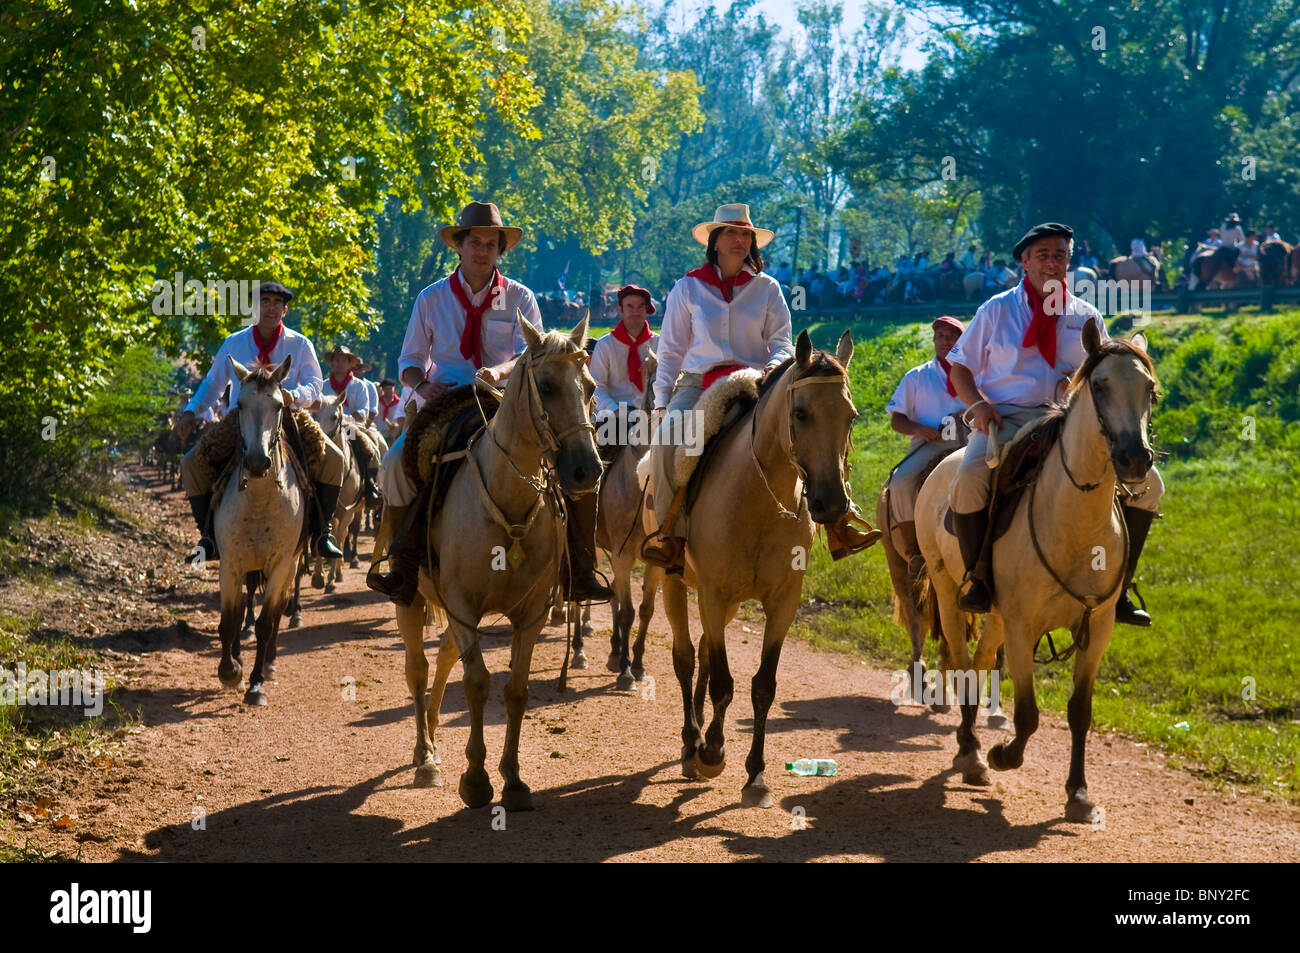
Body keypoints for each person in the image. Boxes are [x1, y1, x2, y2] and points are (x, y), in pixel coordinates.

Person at [367, 201, 611, 606]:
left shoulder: (520, 297)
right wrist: (424, 387)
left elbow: (527, 354)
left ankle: (579, 567)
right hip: (444, 402)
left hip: (505, 402)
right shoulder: (431, 299)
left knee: (572, 457)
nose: (482, 250)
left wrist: (499, 373)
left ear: (501, 251)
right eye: (475, 242)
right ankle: (404, 564)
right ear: (459, 246)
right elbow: (409, 361)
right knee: (394, 464)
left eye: (491, 244)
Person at [641, 203, 881, 573]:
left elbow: (783, 341)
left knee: (816, 431)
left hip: (755, 381)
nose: (740, 240)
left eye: (746, 235)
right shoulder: (687, 287)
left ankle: (840, 522)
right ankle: (672, 536)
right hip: (696, 382)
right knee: (668, 441)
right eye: (732, 233)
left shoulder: (767, 289)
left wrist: (774, 364)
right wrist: (661, 404)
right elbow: (670, 350)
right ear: (715, 241)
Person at [945, 222, 1162, 625]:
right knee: (970, 479)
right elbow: (959, 369)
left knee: (1151, 486)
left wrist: (1075, 385)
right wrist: (978, 406)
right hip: (1007, 418)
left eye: (1060, 255)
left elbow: (1106, 379)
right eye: (1042, 254)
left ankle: (1119, 588)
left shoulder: (1087, 316)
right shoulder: (995, 310)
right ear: (1025, 262)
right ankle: (978, 578)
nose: (1051, 262)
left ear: (1069, 263)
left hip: (1069, 421)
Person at [176, 281, 346, 562]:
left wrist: (295, 396)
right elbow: (213, 383)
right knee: (191, 463)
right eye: (265, 301)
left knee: (335, 459)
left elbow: (315, 385)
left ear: (285, 310)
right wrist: (191, 412)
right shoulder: (234, 342)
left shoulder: (300, 344)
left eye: (277, 303)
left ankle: (321, 533)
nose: (271, 307)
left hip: (287, 415)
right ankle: (207, 536)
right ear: (255, 307)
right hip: (239, 418)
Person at [885, 316, 969, 578]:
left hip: (967, 442)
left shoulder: (974, 374)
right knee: (900, 481)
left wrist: (966, 415)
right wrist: (920, 429)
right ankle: (913, 551)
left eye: (951, 337)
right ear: (934, 341)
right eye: (940, 336)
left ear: (961, 342)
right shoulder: (916, 377)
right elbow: (896, 420)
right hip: (931, 445)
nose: (945, 341)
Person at [590, 285, 659, 451]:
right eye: (630, 307)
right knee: (603, 458)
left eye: (640, 307)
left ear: (646, 310)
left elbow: (672, 380)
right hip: (615, 415)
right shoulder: (605, 345)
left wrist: (655, 371)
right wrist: (615, 411)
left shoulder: (660, 344)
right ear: (620, 310)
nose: (636, 312)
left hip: (654, 413)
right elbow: (596, 387)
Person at [322, 345, 382, 505]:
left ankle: (370, 486)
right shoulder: (323, 385)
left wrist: (345, 418)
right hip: (326, 428)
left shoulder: (359, 385)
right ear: (331, 363)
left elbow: (363, 412)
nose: (339, 363)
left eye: (343, 360)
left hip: (350, 428)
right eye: (336, 360)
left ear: (350, 364)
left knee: (370, 449)